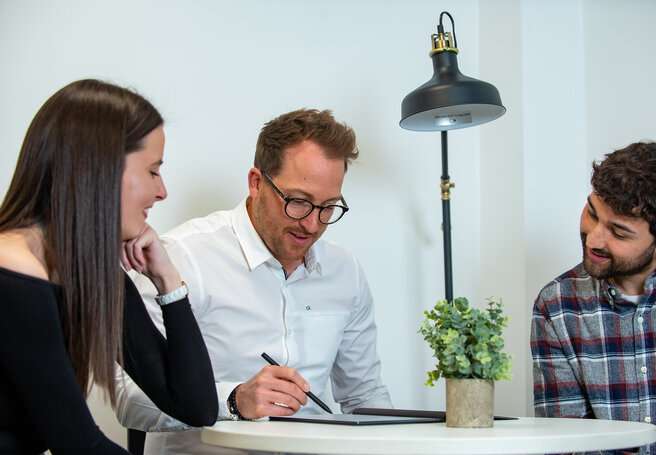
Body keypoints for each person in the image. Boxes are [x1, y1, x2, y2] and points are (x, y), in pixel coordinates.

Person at [116, 108, 392, 454]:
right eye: (298, 202)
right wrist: (233, 400)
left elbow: (364, 395)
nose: (311, 225)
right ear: (257, 183)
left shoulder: (344, 270)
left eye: (328, 208)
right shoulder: (179, 258)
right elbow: (127, 397)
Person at [0, 79, 218, 454]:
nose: (162, 191)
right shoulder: (13, 272)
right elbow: (78, 444)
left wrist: (168, 280)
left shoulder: (85, 272)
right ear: (100, 168)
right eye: (152, 171)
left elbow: (194, 407)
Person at [530, 141, 656, 455]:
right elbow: (565, 442)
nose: (595, 238)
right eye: (592, 213)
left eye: (619, 232)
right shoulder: (557, 305)